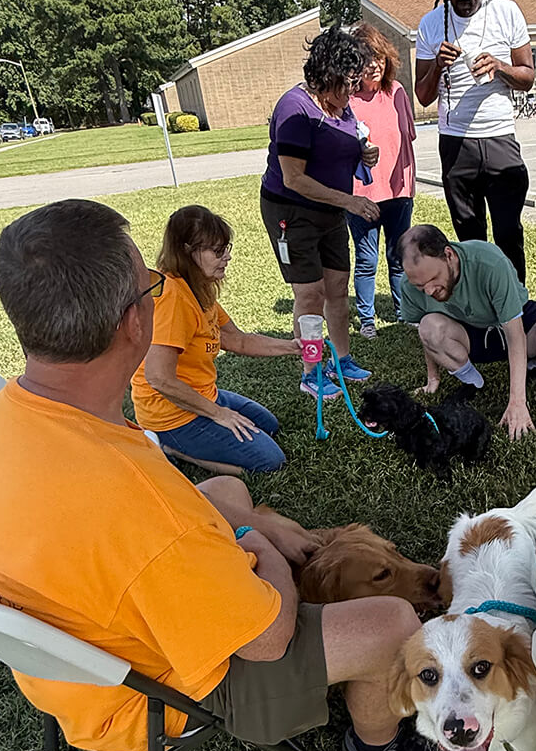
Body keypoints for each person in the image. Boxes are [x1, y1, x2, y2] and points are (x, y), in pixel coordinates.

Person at [0, 199, 442, 751]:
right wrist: (252, 537)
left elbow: (150, 524)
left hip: (78, 659)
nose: (159, 294)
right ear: (132, 323)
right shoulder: (137, 499)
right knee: (391, 621)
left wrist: (236, 519)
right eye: (151, 287)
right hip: (152, 693)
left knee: (225, 484)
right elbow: (268, 640)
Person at [131, 206, 299, 474]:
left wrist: (292, 347)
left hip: (203, 393)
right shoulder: (173, 298)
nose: (227, 257)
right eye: (218, 251)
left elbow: (236, 340)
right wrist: (219, 414)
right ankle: (168, 446)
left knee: (268, 424)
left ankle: (205, 422)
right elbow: (158, 378)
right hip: (171, 414)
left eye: (226, 248)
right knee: (269, 461)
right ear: (187, 251)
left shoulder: (198, 287)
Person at [260, 25, 380, 400]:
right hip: (291, 211)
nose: (351, 94)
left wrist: (364, 154)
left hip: (331, 211)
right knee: (309, 294)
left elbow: (340, 146)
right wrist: (350, 201)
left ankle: (341, 360)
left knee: (336, 289)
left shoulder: (341, 107)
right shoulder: (295, 109)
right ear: (325, 74)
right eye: (346, 85)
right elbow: (294, 178)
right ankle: (311, 371)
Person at [414, 0, 534, 285]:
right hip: (456, 143)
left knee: (508, 232)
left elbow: (527, 77)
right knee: (469, 237)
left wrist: (500, 67)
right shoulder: (432, 23)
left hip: (498, 137)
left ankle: (516, 306)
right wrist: (437, 65)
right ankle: (480, 311)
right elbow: (422, 96)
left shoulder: (506, 11)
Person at [398, 224, 536, 441]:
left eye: (433, 279)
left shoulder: (489, 262)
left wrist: (517, 402)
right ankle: (473, 382)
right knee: (430, 326)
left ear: (448, 255)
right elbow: (424, 329)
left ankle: (531, 364)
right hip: (467, 333)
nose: (428, 291)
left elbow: (515, 334)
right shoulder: (410, 285)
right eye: (420, 286)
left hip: (513, 322)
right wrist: (433, 377)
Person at [347, 23, 417, 339]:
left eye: (378, 57)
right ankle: (367, 320)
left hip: (399, 190)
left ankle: (405, 313)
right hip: (362, 194)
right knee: (366, 260)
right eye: (365, 58)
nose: (373, 65)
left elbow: (408, 136)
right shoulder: (346, 100)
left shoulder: (398, 92)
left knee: (399, 256)